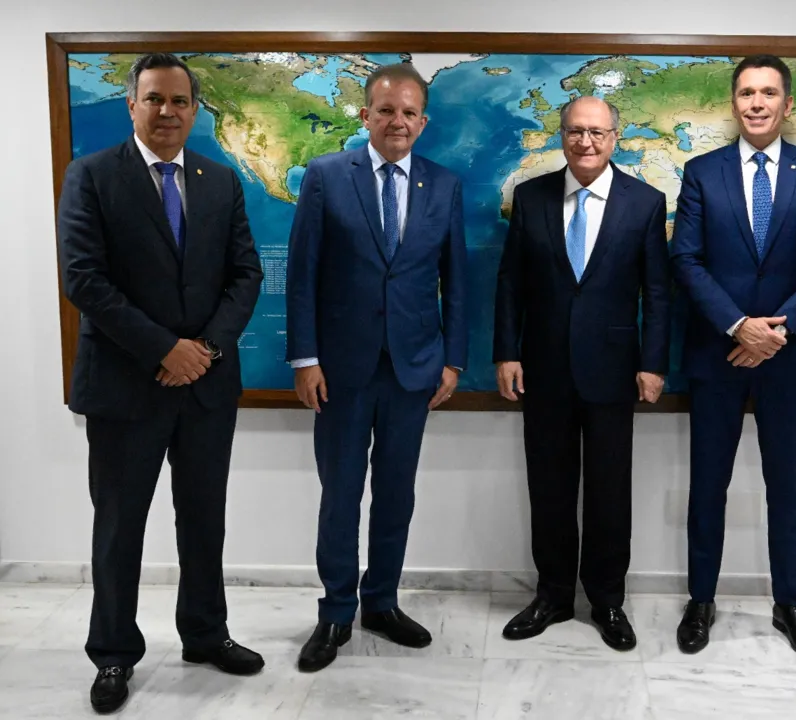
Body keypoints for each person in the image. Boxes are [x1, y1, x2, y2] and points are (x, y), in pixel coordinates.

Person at [57, 52, 265, 714]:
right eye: (154, 100)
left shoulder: (220, 180)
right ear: (132, 106)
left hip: (205, 386)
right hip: (126, 387)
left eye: (180, 101)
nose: (168, 111)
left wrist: (202, 349)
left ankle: (205, 634)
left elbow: (246, 275)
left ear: (196, 108)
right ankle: (114, 653)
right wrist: (163, 349)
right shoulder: (90, 176)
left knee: (204, 521)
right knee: (120, 527)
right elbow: (84, 279)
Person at [286, 62, 468, 672]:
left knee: (396, 495)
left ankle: (380, 602)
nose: (398, 121)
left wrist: (453, 361)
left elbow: (457, 282)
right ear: (364, 115)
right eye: (386, 110)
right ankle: (335, 611)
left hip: (413, 370)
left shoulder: (443, 185)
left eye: (409, 112)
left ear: (423, 122)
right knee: (340, 495)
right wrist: (305, 358)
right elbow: (303, 273)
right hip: (339, 369)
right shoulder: (327, 176)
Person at [669, 54, 796, 662]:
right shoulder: (701, 173)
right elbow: (685, 260)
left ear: (787, 103)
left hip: (790, 361)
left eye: (769, 92)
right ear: (734, 101)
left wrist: (779, 331)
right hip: (717, 356)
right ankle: (700, 601)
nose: (757, 103)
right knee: (707, 486)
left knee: (786, 488)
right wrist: (740, 327)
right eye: (746, 92)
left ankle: (789, 604)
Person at [493, 96, 671, 651]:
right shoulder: (531, 197)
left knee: (609, 491)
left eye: (597, 132)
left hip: (615, 371)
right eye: (575, 132)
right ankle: (551, 595)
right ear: (562, 137)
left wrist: (653, 363)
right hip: (542, 368)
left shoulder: (645, 202)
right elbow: (510, 285)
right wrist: (506, 352)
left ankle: (607, 601)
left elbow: (658, 294)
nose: (585, 142)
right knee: (548, 487)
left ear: (615, 137)